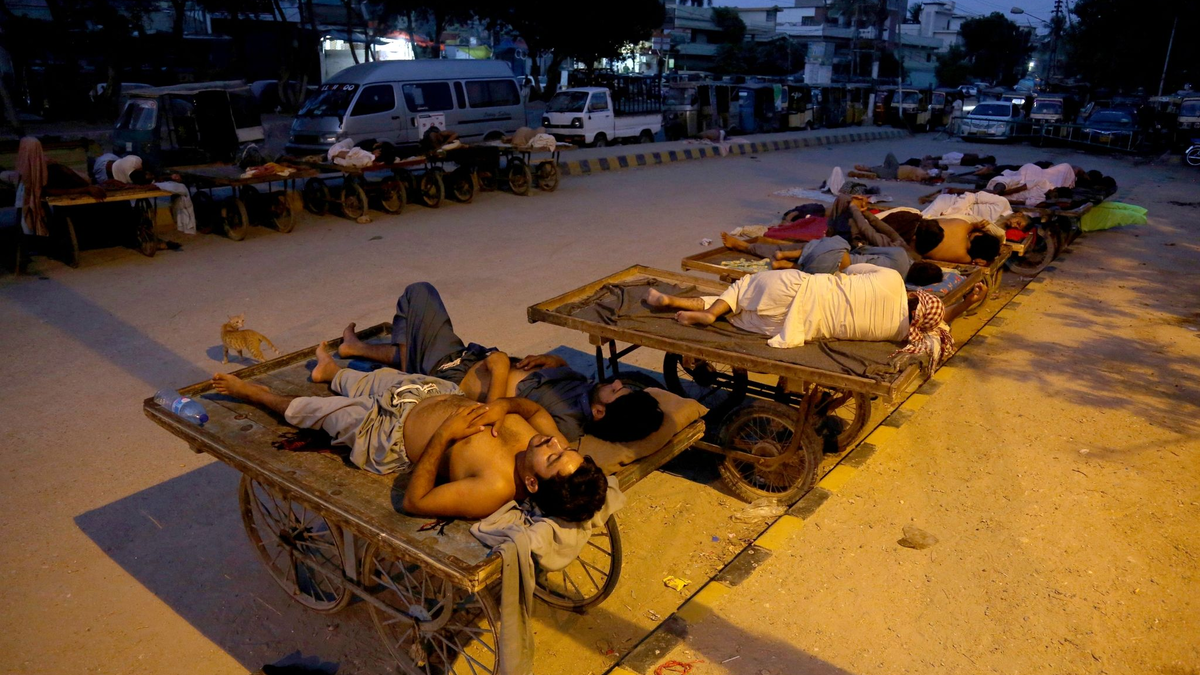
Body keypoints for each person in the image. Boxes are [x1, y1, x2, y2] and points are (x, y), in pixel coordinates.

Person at [211, 345, 609, 522]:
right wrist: (504, 405)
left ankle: (257, 395)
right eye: (563, 449)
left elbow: (416, 501)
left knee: (315, 411)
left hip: (386, 433)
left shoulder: (493, 487)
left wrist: (445, 435)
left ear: (532, 483)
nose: (554, 443)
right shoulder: (550, 442)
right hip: (429, 393)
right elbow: (533, 410)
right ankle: (331, 372)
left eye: (553, 457)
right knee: (374, 379)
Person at [337, 282, 664, 443]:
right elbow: (561, 368)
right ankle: (359, 349)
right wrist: (552, 360)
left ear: (600, 413)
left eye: (617, 391)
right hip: (470, 358)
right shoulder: (586, 389)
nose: (616, 382)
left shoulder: (565, 424)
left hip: (451, 370)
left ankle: (408, 364)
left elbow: (505, 419)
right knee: (422, 335)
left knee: (419, 293)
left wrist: (499, 368)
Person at [645, 264, 986, 357]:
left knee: (742, 287)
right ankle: (693, 309)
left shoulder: (892, 279)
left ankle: (696, 308)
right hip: (791, 328)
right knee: (738, 313)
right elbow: (938, 322)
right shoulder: (898, 332)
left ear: (915, 296)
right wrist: (968, 303)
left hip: (800, 290)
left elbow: (849, 270)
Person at [720, 231, 944, 286]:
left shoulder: (901, 255)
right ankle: (785, 263)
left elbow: (866, 250)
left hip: (836, 257)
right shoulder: (897, 283)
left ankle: (773, 252)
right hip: (828, 274)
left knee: (832, 244)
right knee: (813, 265)